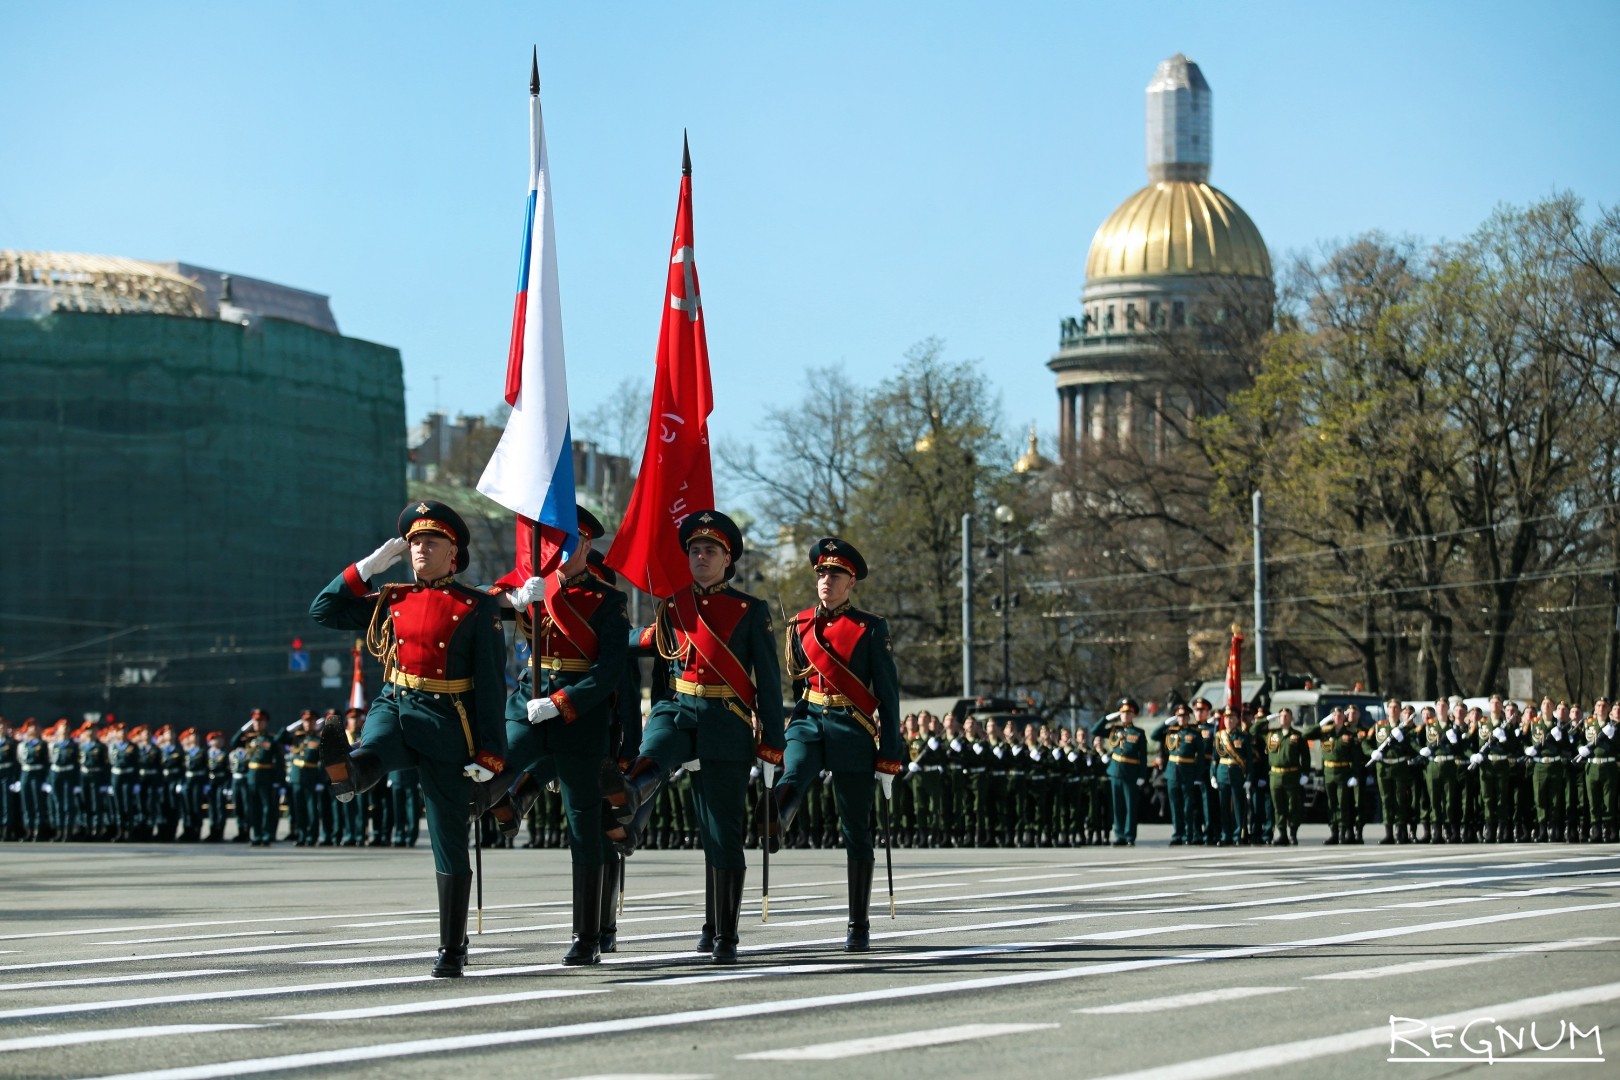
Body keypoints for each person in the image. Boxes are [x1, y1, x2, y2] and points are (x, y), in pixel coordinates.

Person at [312, 500, 507, 978]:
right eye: (415, 541)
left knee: (448, 839)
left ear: (453, 552)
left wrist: (490, 753)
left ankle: (451, 947)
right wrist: (369, 568)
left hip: (448, 721)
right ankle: (351, 774)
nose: (420, 548)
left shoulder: (476, 606)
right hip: (397, 703)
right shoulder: (392, 598)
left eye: (431, 541)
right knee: (373, 745)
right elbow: (323, 610)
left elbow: (492, 684)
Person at [602, 510, 784, 964]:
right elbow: (658, 666)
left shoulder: (749, 610)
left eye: (710, 551)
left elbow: (770, 680)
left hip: (726, 720)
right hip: (679, 708)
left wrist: (771, 744)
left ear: (728, 560)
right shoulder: (672, 606)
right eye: (695, 550)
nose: (700, 556)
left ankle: (724, 932)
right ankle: (630, 792)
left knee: (721, 832)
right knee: (656, 747)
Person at [476, 505, 629, 966]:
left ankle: (587, 936)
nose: (560, 551)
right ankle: (502, 805)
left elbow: (608, 672)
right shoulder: (532, 584)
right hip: (526, 701)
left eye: (571, 542)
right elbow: (472, 601)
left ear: (586, 545)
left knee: (584, 825)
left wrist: (562, 704)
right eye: (554, 541)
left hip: (577, 715)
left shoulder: (608, 601)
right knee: (489, 770)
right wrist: (513, 600)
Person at [764, 537, 903, 951]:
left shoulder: (871, 627)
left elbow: (889, 694)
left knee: (856, 828)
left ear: (851, 581)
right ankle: (775, 816)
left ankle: (858, 924)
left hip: (852, 725)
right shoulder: (799, 625)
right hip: (808, 718)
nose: (826, 579)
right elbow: (793, 683)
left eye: (835, 574)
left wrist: (890, 754)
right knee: (796, 766)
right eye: (822, 573)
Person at [1093, 699, 1146, 846]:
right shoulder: (1114, 729)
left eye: (1128, 713)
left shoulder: (1138, 733)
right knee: (1117, 806)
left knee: (1130, 806)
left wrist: (1142, 775)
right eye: (1122, 712)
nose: (1124, 715)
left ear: (1133, 714)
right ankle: (1119, 835)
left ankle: (1130, 836)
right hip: (1115, 771)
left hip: (1130, 772)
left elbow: (1143, 756)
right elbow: (1095, 730)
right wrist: (1106, 718)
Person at [1211, 706, 1249, 846]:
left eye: (1232, 718)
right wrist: (1213, 775)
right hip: (1222, 773)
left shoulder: (1243, 737)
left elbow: (1248, 759)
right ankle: (1225, 834)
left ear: (1237, 720)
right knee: (1224, 807)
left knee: (1238, 807)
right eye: (1226, 718)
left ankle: (1237, 835)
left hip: (1237, 773)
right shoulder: (1219, 736)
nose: (1229, 721)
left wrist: (1248, 778)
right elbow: (1214, 758)